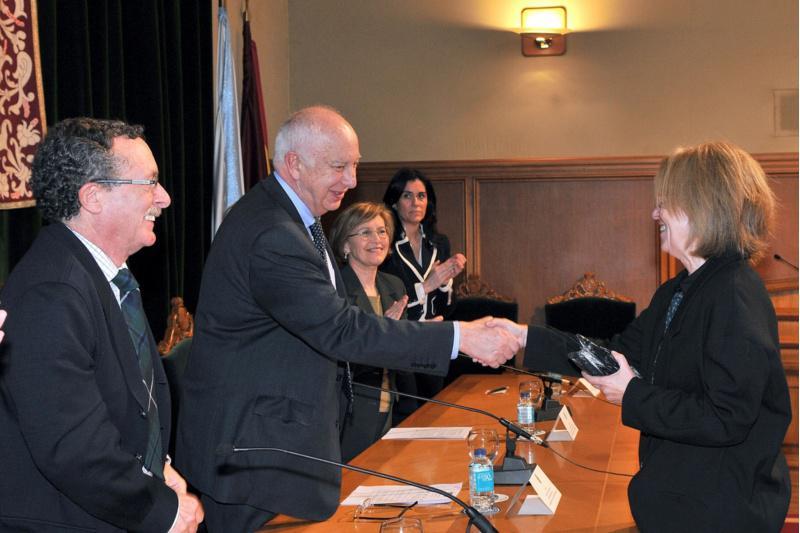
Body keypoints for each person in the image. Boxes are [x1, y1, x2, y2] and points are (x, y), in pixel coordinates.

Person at [175, 105, 518, 532]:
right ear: (294, 164)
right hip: (254, 454)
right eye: (339, 167)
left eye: (354, 165)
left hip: (277, 445)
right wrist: (458, 338)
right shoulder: (273, 233)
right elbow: (339, 328)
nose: (352, 181)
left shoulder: (297, 221)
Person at [490, 142, 791, 532]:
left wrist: (631, 393)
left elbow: (726, 418)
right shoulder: (679, 290)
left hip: (718, 513)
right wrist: (524, 339)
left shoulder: (733, 295)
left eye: (665, 202)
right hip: (681, 501)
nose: (655, 213)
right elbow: (613, 354)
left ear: (703, 206)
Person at [0, 118, 203, 531]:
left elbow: (127, 400)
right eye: (149, 182)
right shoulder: (51, 291)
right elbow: (73, 446)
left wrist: (159, 470)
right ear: (93, 196)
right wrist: (161, 511)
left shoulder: (104, 273)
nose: (163, 198)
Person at [328, 201, 414, 461]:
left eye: (382, 231)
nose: (376, 239)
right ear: (345, 245)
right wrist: (384, 332)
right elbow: (341, 353)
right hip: (348, 413)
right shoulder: (334, 290)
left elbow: (402, 353)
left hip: (391, 407)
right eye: (365, 232)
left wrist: (418, 336)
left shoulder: (394, 285)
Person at [381, 168, 467, 399]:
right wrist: (428, 285)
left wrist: (445, 283)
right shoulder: (384, 245)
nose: (416, 202)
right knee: (406, 412)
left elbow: (449, 309)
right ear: (395, 202)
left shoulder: (439, 243)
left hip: (433, 340)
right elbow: (387, 300)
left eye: (421, 196)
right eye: (407, 196)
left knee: (434, 410)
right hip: (401, 342)